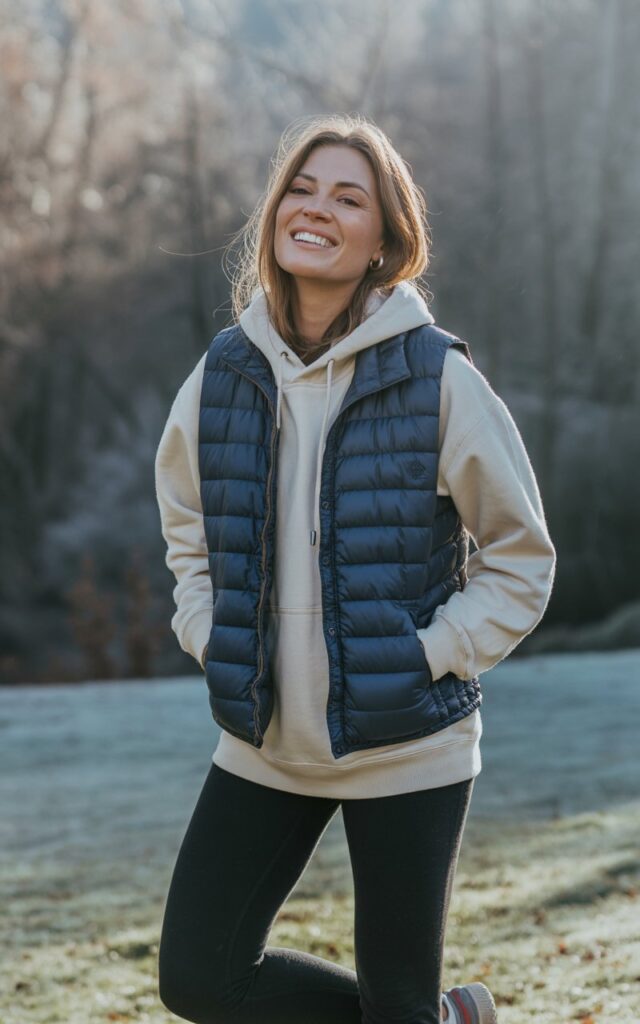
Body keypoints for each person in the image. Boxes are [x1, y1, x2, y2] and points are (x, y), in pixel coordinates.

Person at [154, 113, 556, 1024]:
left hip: (407, 748)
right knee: (198, 977)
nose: (317, 209)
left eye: (348, 198)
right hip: (263, 743)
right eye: (301, 188)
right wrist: (205, 626)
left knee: (397, 1003)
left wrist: (433, 652)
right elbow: (186, 523)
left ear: (386, 240)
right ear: (273, 216)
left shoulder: (437, 377)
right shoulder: (223, 372)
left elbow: (521, 556)